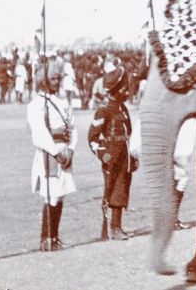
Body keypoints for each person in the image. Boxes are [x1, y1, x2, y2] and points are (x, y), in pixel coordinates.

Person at [28, 58, 77, 251]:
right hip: (50, 155)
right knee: (51, 196)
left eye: (59, 78)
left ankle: (55, 236)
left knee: (61, 195)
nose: (57, 82)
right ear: (44, 81)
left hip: (65, 151)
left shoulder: (63, 102)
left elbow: (72, 128)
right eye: (54, 79)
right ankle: (46, 238)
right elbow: (39, 133)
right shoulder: (37, 104)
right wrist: (57, 153)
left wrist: (71, 149)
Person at [88, 65, 138, 241]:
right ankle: (113, 228)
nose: (126, 91)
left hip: (124, 156)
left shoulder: (122, 108)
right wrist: (104, 155)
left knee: (123, 189)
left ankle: (117, 226)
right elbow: (92, 138)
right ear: (116, 88)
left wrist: (133, 156)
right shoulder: (105, 109)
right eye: (123, 87)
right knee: (114, 190)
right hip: (112, 156)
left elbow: (129, 132)